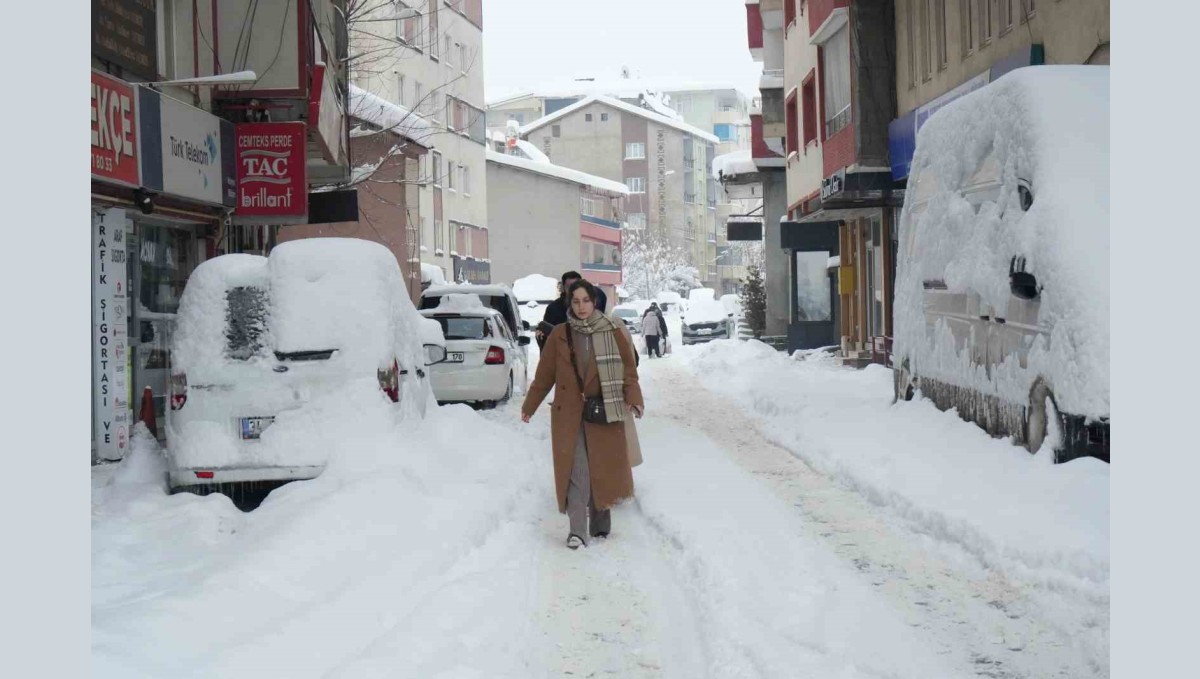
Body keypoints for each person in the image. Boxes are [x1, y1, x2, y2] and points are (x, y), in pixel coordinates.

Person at [522, 280, 643, 550]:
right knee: (577, 471)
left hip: (603, 409)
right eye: (575, 301)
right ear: (570, 304)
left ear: (594, 302)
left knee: (601, 467)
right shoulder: (560, 335)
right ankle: (577, 530)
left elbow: (628, 371)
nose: (581, 307)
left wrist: (634, 399)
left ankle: (600, 524)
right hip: (569, 413)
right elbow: (544, 376)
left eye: (586, 301)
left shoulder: (612, 331)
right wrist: (529, 406)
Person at [537, 271, 608, 350]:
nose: (573, 290)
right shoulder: (553, 309)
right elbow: (547, 341)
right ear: (563, 287)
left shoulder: (593, 303)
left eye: (576, 286)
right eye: (569, 287)